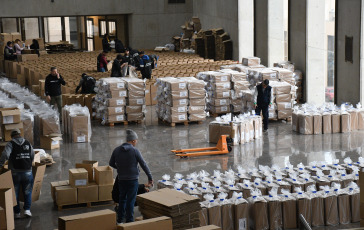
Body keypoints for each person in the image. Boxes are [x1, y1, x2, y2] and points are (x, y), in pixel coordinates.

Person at [109, 129, 153, 224]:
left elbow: (111, 163)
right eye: (136, 140)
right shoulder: (134, 151)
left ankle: (120, 220)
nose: (136, 142)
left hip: (121, 180)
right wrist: (150, 178)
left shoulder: (116, 150)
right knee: (131, 201)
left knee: (122, 199)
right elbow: (144, 165)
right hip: (132, 180)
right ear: (133, 141)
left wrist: (120, 168)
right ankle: (129, 222)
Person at [0, 129, 35, 219]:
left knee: (14, 192)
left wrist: (0, 164)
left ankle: (17, 213)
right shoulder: (27, 143)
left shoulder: (10, 144)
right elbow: (32, 155)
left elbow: (5, 155)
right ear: (20, 134)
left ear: (12, 136)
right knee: (28, 191)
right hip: (27, 172)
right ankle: (27, 210)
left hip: (15, 173)